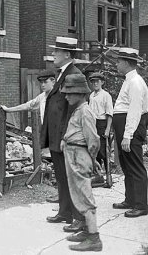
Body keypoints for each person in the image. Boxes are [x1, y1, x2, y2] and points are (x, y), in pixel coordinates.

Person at [41, 36, 85, 233]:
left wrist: (65, 137)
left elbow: (73, 111)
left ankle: (80, 218)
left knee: (72, 178)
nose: (53, 55)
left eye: (56, 52)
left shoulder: (74, 74)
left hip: (65, 137)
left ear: (67, 54)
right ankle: (65, 212)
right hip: (57, 136)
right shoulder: (62, 74)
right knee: (61, 176)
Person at [60, 74, 102, 252]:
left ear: (80, 93)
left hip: (79, 155)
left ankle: (94, 238)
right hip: (73, 153)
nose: (67, 96)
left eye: (71, 92)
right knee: (77, 194)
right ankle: (86, 230)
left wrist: (92, 161)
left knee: (84, 196)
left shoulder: (85, 111)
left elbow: (93, 140)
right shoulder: (78, 110)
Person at [112, 48, 148, 218]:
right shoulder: (129, 80)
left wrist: (128, 135)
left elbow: (135, 110)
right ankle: (130, 199)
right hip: (126, 126)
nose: (116, 63)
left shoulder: (135, 82)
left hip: (131, 127)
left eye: (119, 61)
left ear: (127, 63)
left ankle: (141, 205)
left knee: (135, 165)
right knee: (127, 165)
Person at [88, 72, 113, 185]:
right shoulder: (91, 95)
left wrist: (107, 129)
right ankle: (98, 176)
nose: (95, 84)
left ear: (102, 82)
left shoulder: (106, 95)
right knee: (94, 150)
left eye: (97, 81)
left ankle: (108, 175)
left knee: (104, 151)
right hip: (92, 123)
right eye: (93, 82)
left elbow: (109, 114)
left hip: (102, 124)